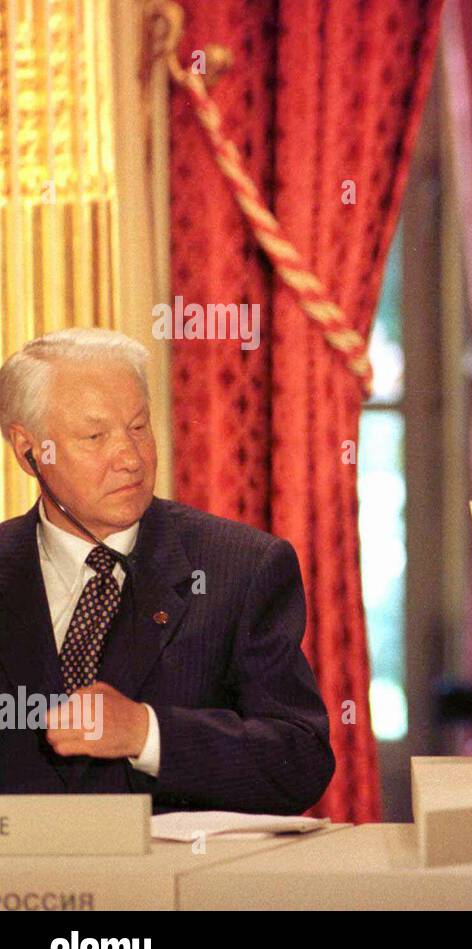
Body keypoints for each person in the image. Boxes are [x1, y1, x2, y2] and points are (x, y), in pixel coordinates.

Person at [0, 328, 334, 814]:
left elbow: (300, 761)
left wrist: (146, 732)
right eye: (95, 437)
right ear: (29, 450)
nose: (130, 459)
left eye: (138, 427)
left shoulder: (241, 568)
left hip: (175, 886)